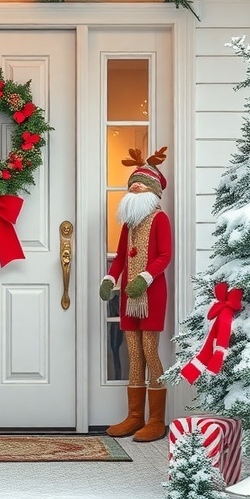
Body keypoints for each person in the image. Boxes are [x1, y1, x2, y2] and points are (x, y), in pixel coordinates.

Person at [99, 147, 172, 442]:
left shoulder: (160, 219)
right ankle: (134, 417)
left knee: (150, 351)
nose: (133, 188)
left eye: (139, 186)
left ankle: (156, 419)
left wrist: (144, 278)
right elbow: (119, 257)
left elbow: (164, 256)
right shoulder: (129, 225)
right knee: (133, 354)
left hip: (150, 296)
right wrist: (109, 278)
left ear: (152, 192)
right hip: (129, 297)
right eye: (131, 185)